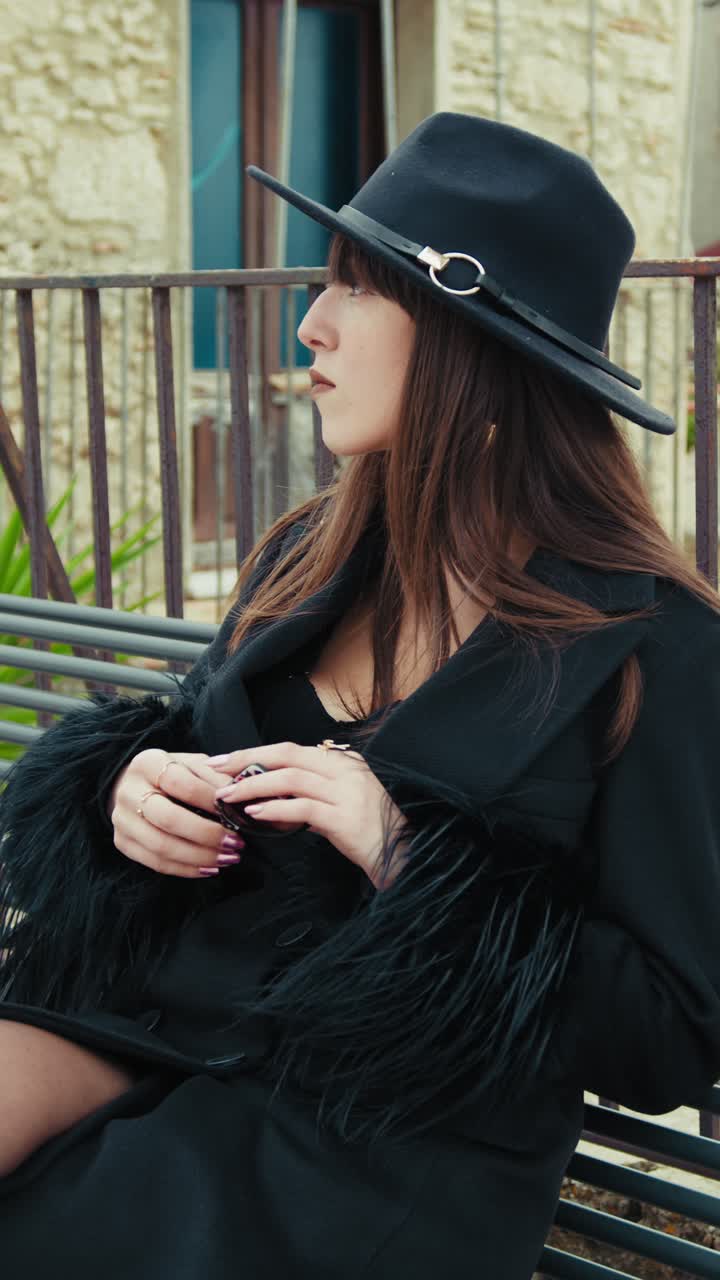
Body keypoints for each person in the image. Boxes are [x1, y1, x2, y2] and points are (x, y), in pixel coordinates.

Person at [0, 111, 719, 1279]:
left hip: (373, 1141)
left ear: (473, 345)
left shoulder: (653, 649)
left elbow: (672, 1038)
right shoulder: (309, 559)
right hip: (163, 1031)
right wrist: (130, 795)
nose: (311, 326)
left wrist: (408, 855)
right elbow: (178, 778)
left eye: (358, 292)